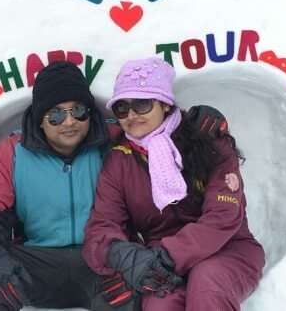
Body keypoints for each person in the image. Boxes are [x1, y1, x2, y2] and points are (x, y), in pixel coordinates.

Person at [82, 57, 265, 311]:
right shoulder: (119, 161)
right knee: (160, 305)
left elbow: (223, 216)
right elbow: (102, 226)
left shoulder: (208, 140)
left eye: (142, 104)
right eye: (122, 108)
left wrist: (170, 256)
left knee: (207, 283)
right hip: (159, 265)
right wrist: (126, 258)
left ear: (165, 104)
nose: (132, 115)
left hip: (228, 249)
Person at [0, 61, 138, 310]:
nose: (69, 122)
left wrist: (198, 122)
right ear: (40, 119)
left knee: (136, 276)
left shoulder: (113, 141)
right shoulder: (11, 153)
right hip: (39, 265)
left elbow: (158, 130)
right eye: (55, 114)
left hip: (102, 262)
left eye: (78, 111)